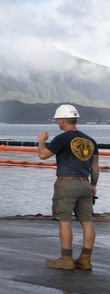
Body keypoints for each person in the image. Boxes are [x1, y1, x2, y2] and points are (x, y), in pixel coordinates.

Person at [37, 104, 99, 271]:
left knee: (64, 221)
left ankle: (66, 259)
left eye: (58, 120)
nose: (58, 122)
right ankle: (85, 260)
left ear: (63, 120)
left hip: (67, 184)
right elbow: (94, 167)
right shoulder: (90, 140)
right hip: (85, 184)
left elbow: (43, 155)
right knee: (87, 222)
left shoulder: (62, 138)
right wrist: (93, 185)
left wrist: (41, 140)